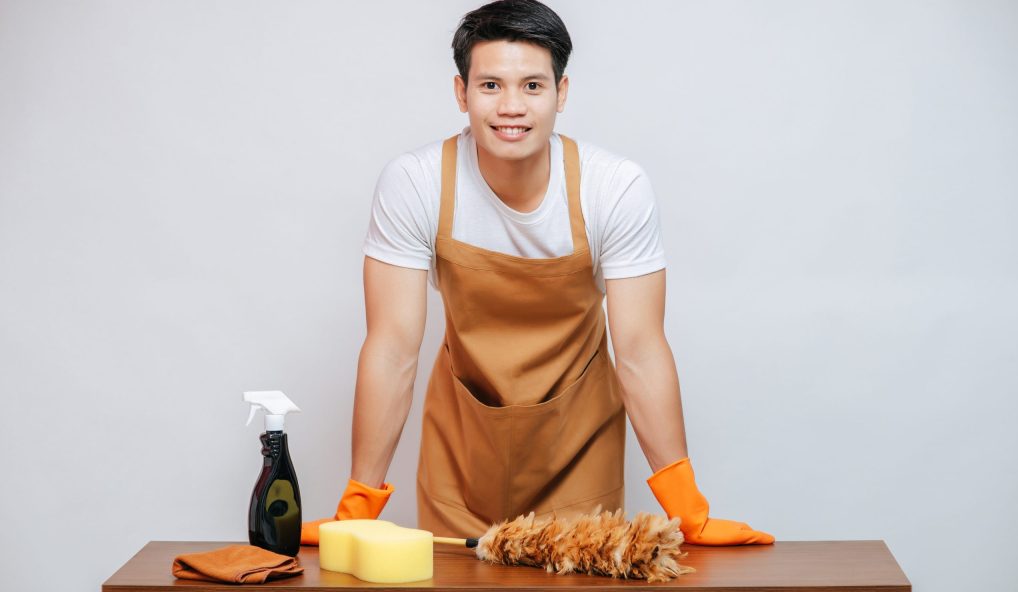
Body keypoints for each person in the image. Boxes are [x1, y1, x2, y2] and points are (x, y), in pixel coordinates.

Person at [301, 0, 773, 546]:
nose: (511, 107)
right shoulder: (415, 183)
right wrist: (360, 501)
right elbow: (392, 348)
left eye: (532, 86)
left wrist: (686, 506)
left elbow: (641, 350)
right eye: (490, 86)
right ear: (461, 93)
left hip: (578, 448)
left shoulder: (612, 188)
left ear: (561, 93)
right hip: (461, 450)